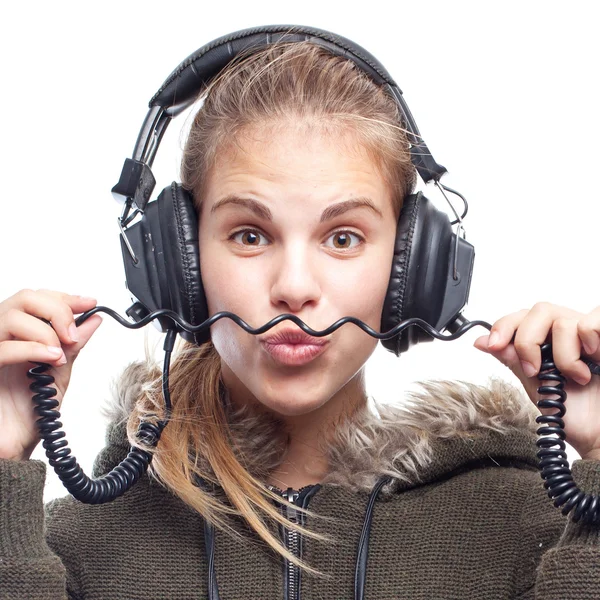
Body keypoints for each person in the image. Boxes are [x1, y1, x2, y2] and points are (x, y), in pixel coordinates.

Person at [1, 29, 600, 600]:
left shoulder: (525, 529)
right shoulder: (69, 547)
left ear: (412, 266)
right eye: (248, 235)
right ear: (176, 260)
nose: (293, 288)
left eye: (342, 238)